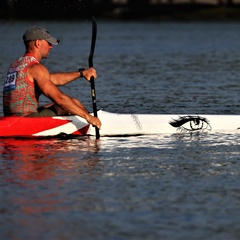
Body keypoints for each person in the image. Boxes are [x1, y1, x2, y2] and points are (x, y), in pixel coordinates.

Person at [3, 26, 101, 130]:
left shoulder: (16, 65)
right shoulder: (37, 68)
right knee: (73, 103)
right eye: (48, 43)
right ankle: (93, 126)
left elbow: (53, 79)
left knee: (61, 106)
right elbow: (60, 99)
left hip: (11, 118)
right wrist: (88, 117)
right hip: (26, 122)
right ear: (38, 43)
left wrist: (81, 73)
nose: (51, 47)